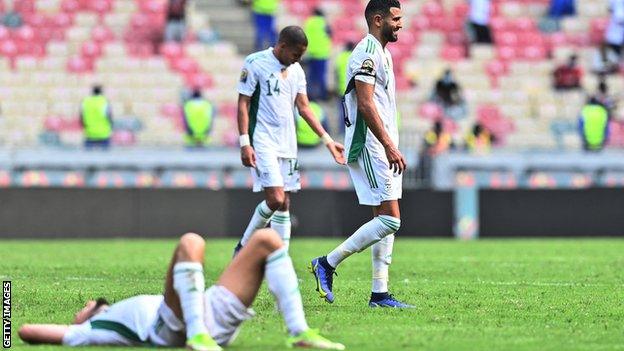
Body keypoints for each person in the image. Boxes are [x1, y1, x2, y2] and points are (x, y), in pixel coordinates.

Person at [18, 230, 346, 350]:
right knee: (191, 242)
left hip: (204, 311)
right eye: (86, 306)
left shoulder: (102, 318)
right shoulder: (90, 330)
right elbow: (24, 330)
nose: (87, 302)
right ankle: (197, 337)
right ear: (82, 319)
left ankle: (299, 332)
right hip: (174, 326)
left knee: (268, 240)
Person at [309, 0, 412, 308]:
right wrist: (389, 146)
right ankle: (327, 262)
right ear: (378, 20)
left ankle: (379, 294)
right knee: (391, 220)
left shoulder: (383, 54)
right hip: (370, 144)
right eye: (396, 19)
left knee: (382, 217)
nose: (400, 24)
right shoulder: (366, 53)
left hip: (381, 144)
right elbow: (366, 104)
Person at [235, 26, 345, 253]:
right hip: (262, 140)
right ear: (282, 46)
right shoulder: (255, 63)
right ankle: (243, 246)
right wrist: (245, 142)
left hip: (287, 143)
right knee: (275, 199)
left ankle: (281, 257)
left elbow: (304, 108)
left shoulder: (296, 70)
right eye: (296, 54)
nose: (299, 60)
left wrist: (327, 140)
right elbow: (243, 103)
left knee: (284, 202)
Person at [304, 8, 332, 101]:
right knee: (321, 76)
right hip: (322, 54)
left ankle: (310, 95)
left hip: (311, 53)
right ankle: (323, 95)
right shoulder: (324, 23)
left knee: (311, 76)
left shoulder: (309, 22)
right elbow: (330, 35)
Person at [418, 120, 454, 185]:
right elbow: (427, 146)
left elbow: (449, 146)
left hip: (443, 158)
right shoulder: (431, 134)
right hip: (431, 158)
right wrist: (434, 150)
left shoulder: (445, 135)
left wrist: (438, 149)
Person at [80, 85, 113, 149]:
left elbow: (81, 117)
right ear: (101, 92)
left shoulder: (86, 102)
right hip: (104, 134)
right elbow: (109, 116)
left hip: (89, 133)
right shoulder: (104, 102)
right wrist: (111, 127)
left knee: (87, 158)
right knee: (106, 158)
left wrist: (85, 127)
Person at [335, 41, 355, 133]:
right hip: (352, 90)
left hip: (341, 88)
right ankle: (350, 128)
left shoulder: (340, 57)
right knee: (352, 109)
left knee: (342, 109)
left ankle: (342, 129)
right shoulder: (354, 57)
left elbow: (336, 73)